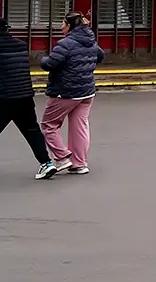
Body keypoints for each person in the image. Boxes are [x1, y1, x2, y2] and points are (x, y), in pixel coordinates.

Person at [40, 11, 104, 176]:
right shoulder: (90, 40)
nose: (61, 27)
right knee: (80, 126)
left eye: (62, 23)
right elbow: (100, 56)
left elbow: (50, 64)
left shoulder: (65, 43)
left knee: (49, 124)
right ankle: (80, 164)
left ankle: (62, 157)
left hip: (66, 91)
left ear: (69, 25)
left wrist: (43, 59)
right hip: (87, 91)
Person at [1, 15, 55, 177]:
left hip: (3, 97)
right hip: (24, 96)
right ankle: (46, 163)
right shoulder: (21, 45)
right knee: (32, 130)